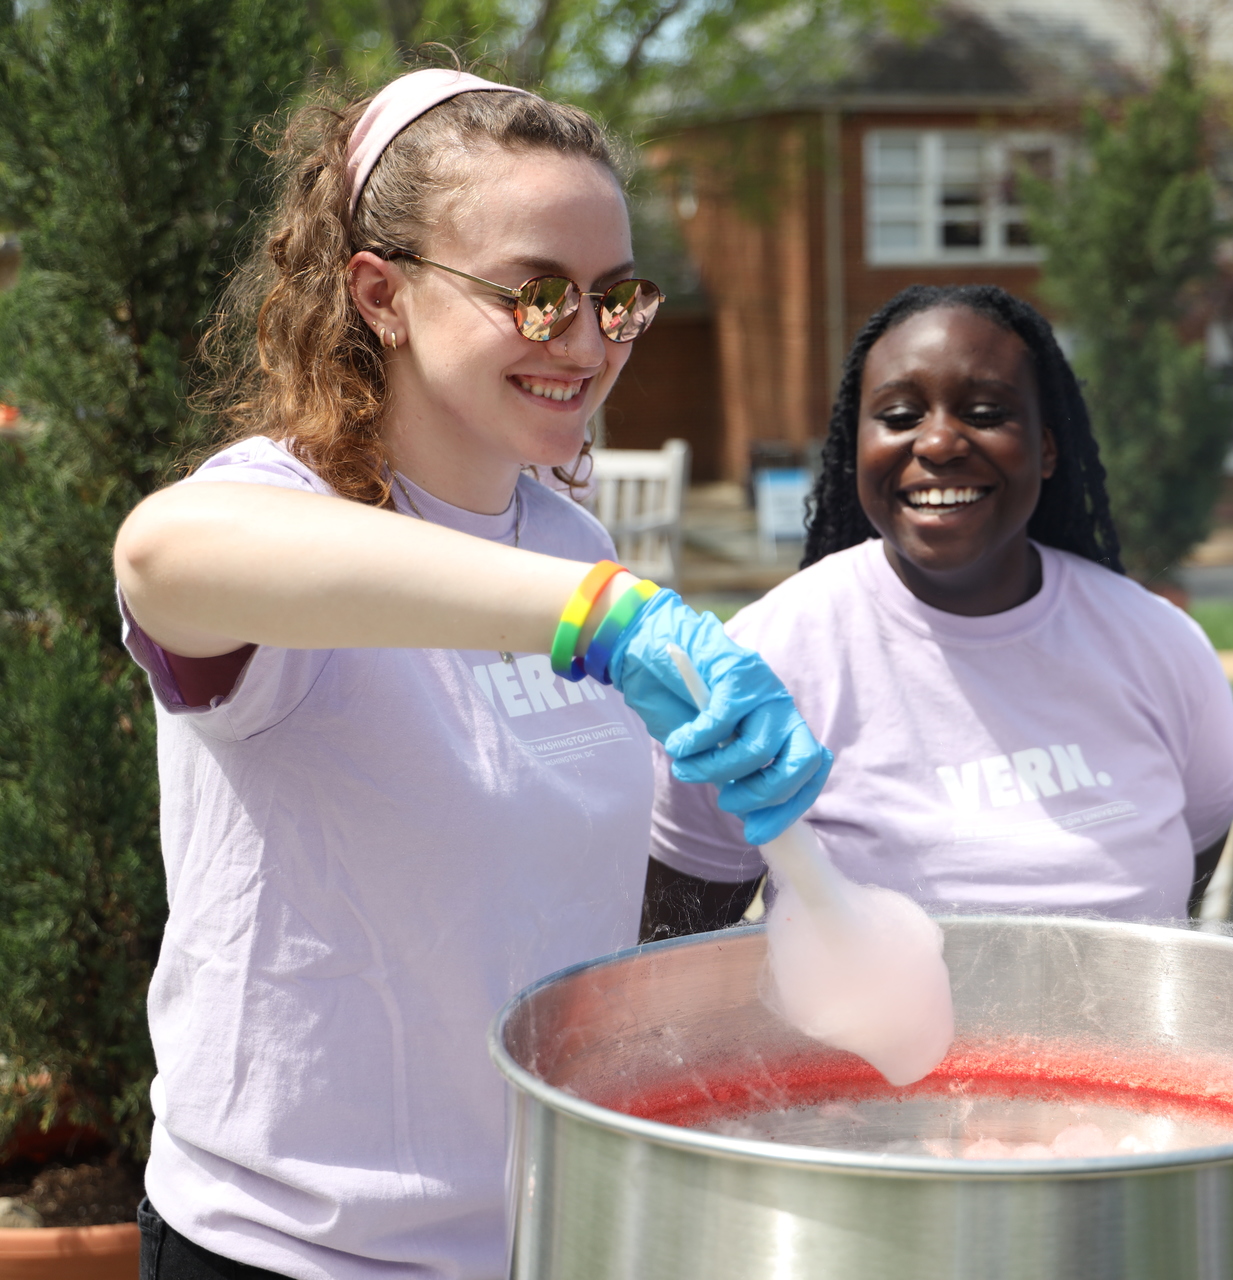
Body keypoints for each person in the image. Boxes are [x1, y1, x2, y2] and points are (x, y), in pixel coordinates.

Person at [112, 69, 827, 1280]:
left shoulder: (565, 539)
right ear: (381, 294)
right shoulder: (284, 510)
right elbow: (159, 555)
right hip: (293, 1249)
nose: (590, 343)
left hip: (539, 1236)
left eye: (615, 297)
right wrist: (600, 616)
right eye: (536, 295)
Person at [644, 284, 1233, 937]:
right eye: (900, 416)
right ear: (854, 448)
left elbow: (1190, 864)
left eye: (985, 411)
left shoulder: (1160, 645)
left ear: (1046, 449)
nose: (938, 443)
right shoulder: (767, 654)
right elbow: (678, 947)